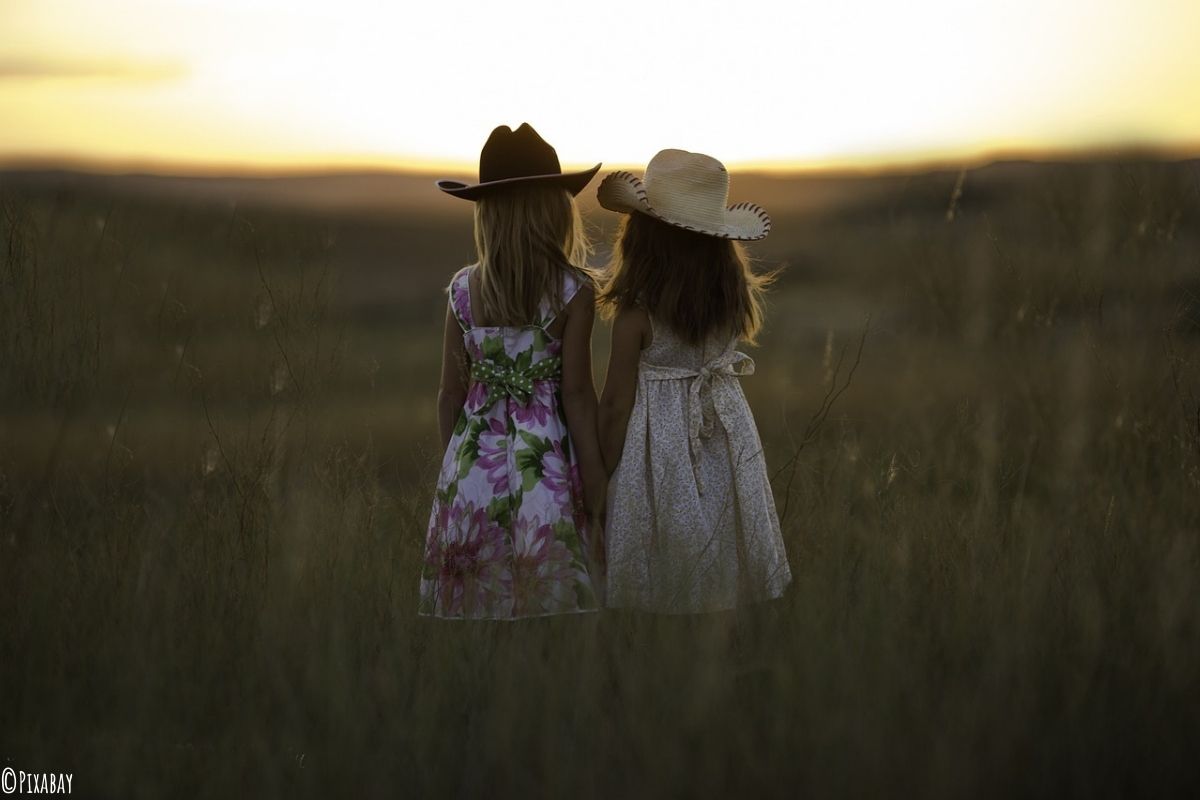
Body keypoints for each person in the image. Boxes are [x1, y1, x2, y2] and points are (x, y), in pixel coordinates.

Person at [419, 123, 606, 619]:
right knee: (547, 602)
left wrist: (454, 474)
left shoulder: (462, 291)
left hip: (471, 466)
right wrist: (596, 484)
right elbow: (580, 396)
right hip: (543, 469)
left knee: (479, 607)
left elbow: (448, 394)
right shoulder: (573, 291)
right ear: (554, 211)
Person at [596, 149, 792, 613]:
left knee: (665, 544)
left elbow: (615, 406)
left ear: (641, 238)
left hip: (657, 447)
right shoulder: (728, 301)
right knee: (726, 535)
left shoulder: (635, 316)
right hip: (726, 430)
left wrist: (599, 473)